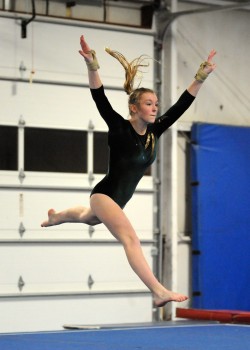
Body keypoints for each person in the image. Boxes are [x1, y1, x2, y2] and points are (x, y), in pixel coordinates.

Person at [41, 35, 216, 307]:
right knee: (130, 239)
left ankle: (57, 217)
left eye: (156, 104)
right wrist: (92, 66)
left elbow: (181, 105)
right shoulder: (119, 128)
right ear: (134, 108)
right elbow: (99, 98)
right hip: (105, 195)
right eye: (149, 104)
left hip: (113, 200)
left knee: (89, 218)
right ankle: (158, 290)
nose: (155, 108)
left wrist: (200, 77)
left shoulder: (155, 132)